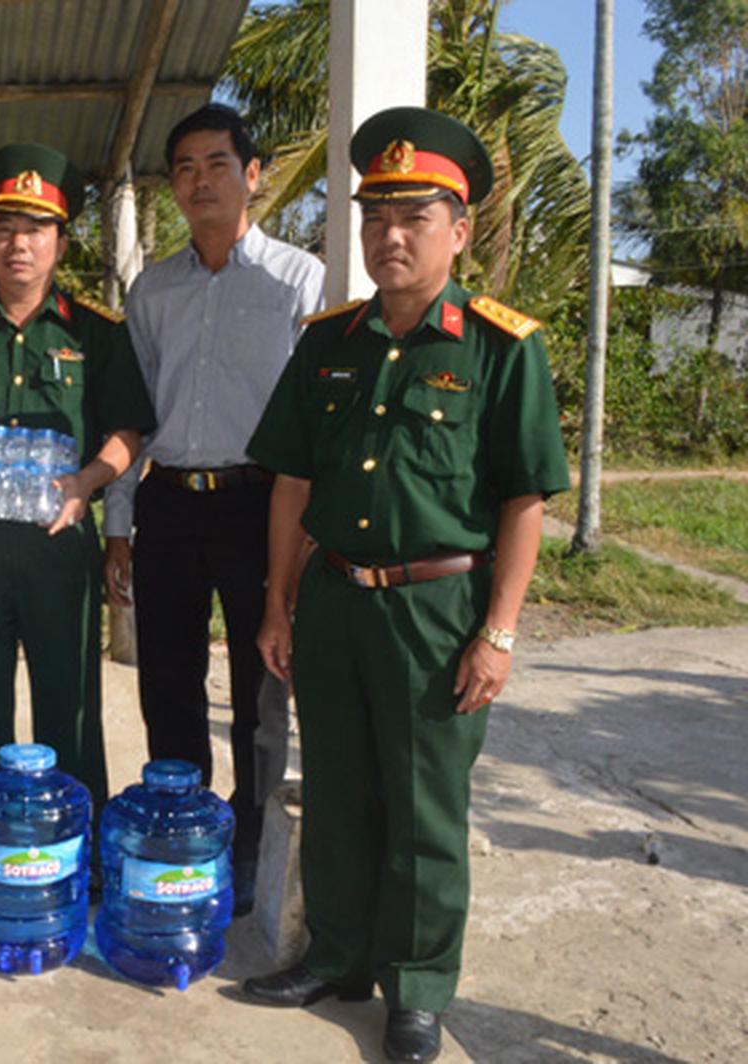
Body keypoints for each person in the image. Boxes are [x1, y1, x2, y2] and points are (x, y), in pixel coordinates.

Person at [238, 107, 570, 1064]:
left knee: (424, 808)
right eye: (375, 217)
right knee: (338, 790)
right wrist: (277, 603)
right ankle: (337, 955)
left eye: (414, 218)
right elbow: (293, 481)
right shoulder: (328, 342)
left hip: (437, 610)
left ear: (458, 232)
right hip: (334, 599)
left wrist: (498, 632)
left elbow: (524, 499)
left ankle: (417, 987)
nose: (390, 236)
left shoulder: (501, 347)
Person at [102, 104, 324, 916]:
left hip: (262, 505)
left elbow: (315, 425)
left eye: (217, 164)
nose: (200, 182)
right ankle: (183, 828)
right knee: (168, 680)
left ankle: (253, 842)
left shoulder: (299, 281)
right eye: (185, 169)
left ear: (252, 174)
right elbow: (133, 418)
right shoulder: (153, 289)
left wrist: (305, 539)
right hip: (168, 503)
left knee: (262, 688)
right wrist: (118, 528)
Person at [0, 143, 157, 806]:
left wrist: (86, 482)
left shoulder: (97, 333)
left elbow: (127, 433)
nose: (18, 244)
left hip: (60, 544)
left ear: (60, 242)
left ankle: (76, 843)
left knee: (70, 705)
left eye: (35, 229)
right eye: (5, 228)